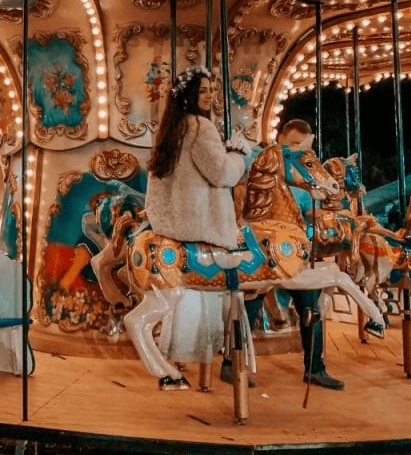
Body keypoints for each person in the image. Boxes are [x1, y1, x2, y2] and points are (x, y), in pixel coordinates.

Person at [223, 119, 345, 390]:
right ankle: (231, 362)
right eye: (291, 144)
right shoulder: (259, 159)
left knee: (309, 305)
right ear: (278, 138)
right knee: (247, 306)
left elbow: (304, 211)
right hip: (263, 247)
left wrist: (327, 209)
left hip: (290, 250)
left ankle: (315, 367)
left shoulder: (299, 171)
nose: (295, 151)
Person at [145, 67, 251, 378]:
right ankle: (233, 357)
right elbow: (222, 174)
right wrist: (238, 155)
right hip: (204, 224)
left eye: (210, 90)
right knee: (244, 277)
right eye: (202, 90)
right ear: (189, 96)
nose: (209, 95)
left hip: (175, 222)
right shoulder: (200, 127)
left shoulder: (172, 128)